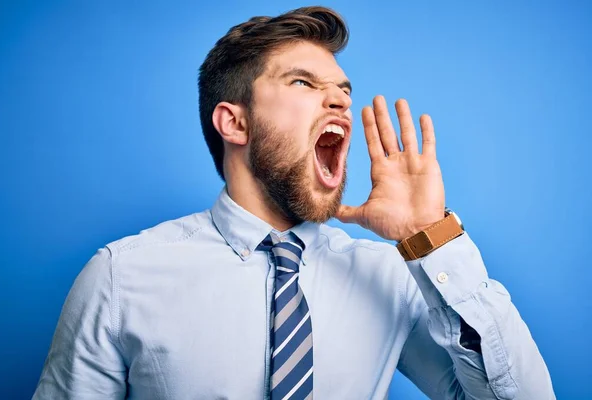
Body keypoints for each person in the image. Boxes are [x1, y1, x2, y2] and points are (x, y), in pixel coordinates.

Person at [33, 6, 555, 400]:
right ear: (234, 122)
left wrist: (432, 236)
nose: (340, 100)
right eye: (304, 82)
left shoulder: (389, 276)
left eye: (343, 90)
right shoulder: (122, 276)